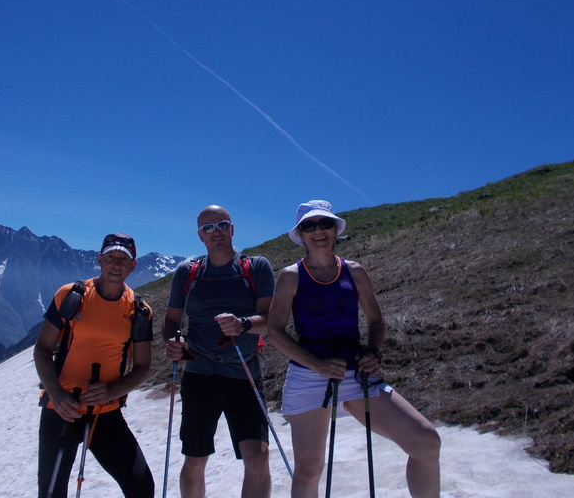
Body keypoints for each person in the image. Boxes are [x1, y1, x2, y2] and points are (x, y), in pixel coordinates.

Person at [267, 200, 441, 498]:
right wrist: (317, 365)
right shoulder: (290, 276)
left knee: (426, 442)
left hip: (356, 374)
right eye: (309, 226)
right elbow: (274, 330)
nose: (318, 231)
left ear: (335, 229)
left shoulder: (355, 272)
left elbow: (376, 320)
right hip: (309, 376)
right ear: (301, 235)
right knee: (309, 469)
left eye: (324, 224)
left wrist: (373, 352)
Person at [163, 205, 275, 498]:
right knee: (195, 458)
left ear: (232, 228)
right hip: (200, 374)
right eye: (208, 228)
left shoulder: (257, 267)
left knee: (258, 457)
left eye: (222, 225)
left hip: (243, 372)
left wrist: (243, 324)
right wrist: (174, 342)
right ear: (200, 236)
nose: (216, 232)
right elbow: (172, 321)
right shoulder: (187, 273)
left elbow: (270, 320)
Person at [34, 232, 154, 498]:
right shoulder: (70, 296)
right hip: (62, 408)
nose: (116, 264)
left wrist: (111, 392)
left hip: (105, 411)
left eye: (124, 259)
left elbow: (143, 366)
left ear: (133, 266)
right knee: (52, 493)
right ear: (100, 260)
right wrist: (56, 393)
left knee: (141, 486)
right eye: (111, 257)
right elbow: (42, 348)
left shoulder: (139, 311)